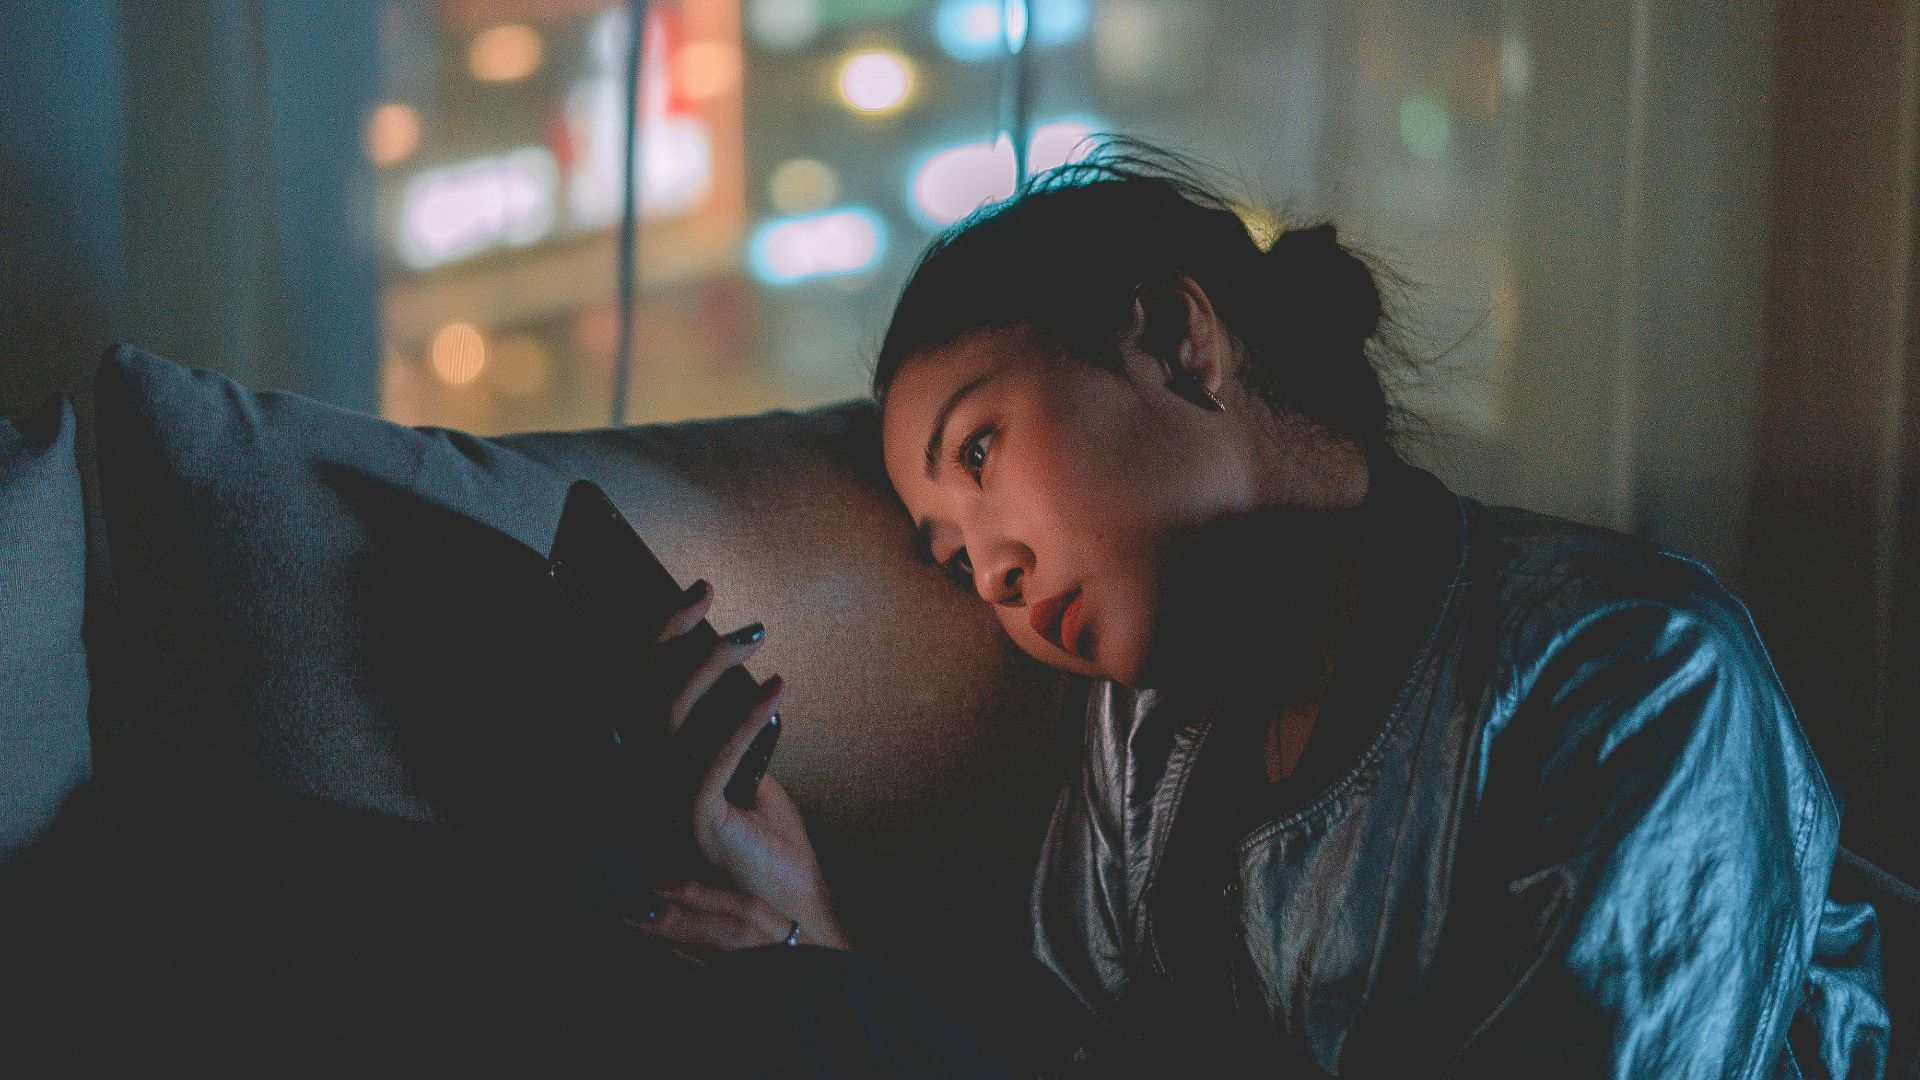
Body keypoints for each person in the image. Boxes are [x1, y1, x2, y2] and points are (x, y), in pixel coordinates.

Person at [626, 142, 1892, 1077]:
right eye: (952, 561)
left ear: (1180, 339)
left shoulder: (1633, 669)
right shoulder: (1141, 752)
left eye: (979, 453)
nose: (994, 573)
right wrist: (817, 938)